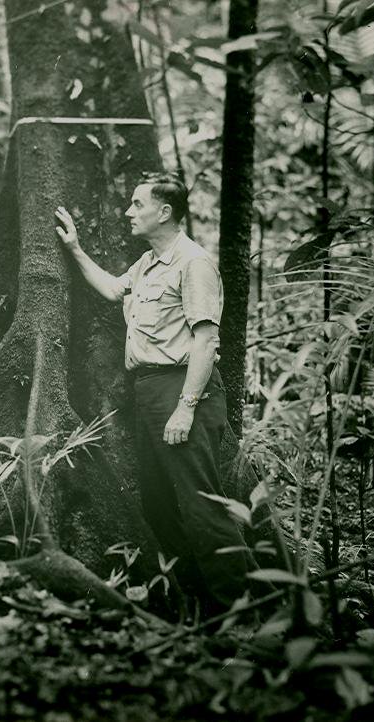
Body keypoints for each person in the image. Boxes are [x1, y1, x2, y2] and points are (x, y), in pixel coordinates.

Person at [54, 172, 253, 614]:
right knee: (159, 506)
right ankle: (201, 603)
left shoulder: (193, 263)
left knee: (202, 506)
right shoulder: (147, 264)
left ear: (164, 212)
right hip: (147, 392)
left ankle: (240, 612)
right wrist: (74, 248)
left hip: (184, 392)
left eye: (137, 204)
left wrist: (185, 408)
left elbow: (205, 340)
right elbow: (110, 288)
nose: (129, 212)